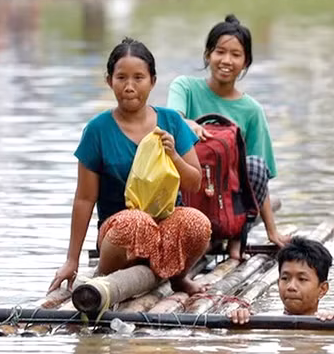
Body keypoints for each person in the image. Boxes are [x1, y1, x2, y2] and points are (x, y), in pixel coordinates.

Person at [48, 38, 212, 295]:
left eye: (138, 78)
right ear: (109, 81)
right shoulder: (97, 129)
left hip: (165, 229)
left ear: (152, 81)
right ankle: (105, 277)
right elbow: (84, 198)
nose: (129, 86)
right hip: (120, 233)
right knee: (137, 222)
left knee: (197, 222)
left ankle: (178, 277)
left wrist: (174, 156)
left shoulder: (171, 121)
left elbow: (194, 183)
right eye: (121, 78)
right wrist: (72, 260)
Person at [166, 14, 289, 259]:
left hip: (227, 206)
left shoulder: (252, 111)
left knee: (255, 167)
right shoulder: (185, 87)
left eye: (235, 55)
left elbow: (259, 178)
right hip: (187, 195)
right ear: (207, 55)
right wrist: (189, 124)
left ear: (246, 62)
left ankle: (235, 240)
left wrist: (271, 230)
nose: (226, 61)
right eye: (220, 52)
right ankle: (190, 237)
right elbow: (172, 121)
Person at [228, 237, 334, 324]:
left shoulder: (331, 323)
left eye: (302, 279)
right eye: (285, 278)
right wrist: (240, 319)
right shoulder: (260, 322)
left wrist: (331, 324)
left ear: (322, 289)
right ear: (278, 283)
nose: (291, 287)